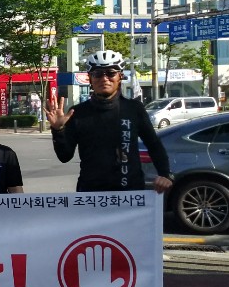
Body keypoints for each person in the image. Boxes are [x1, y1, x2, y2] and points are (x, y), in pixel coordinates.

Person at [46, 50, 173, 193]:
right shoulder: (77, 112)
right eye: (98, 74)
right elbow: (64, 156)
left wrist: (165, 174)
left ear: (120, 76)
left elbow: (154, 144)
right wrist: (58, 130)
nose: (104, 78)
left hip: (130, 191)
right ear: (90, 78)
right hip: (91, 194)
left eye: (111, 73)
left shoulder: (133, 108)